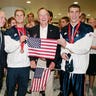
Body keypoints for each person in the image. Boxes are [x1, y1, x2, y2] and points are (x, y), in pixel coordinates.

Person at [57, 4, 93, 96]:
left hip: (79, 68)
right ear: (68, 14)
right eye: (72, 12)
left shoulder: (88, 29)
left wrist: (67, 45)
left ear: (80, 13)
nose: (74, 14)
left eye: (76, 12)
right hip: (65, 67)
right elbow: (62, 46)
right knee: (64, 93)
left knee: (78, 94)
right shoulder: (63, 29)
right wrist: (62, 53)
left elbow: (84, 49)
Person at [29, 7, 60, 96]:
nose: (43, 17)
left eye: (45, 15)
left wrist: (54, 62)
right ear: (38, 18)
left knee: (48, 87)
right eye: (41, 15)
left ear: (49, 17)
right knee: (36, 86)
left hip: (50, 63)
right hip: (38, 63)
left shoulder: (55, 30)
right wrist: (32, 60)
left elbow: (57, 48)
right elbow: (32, 47)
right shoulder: (33, 30)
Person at [4, 9, 30, 96]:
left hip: (25, 66)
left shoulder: (29, 31)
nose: (19, 17)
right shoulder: (8, 32)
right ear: (15, 17)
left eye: (21, 15)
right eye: (17, 15)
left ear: (24, 17)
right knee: (10, 90)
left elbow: (32, 48)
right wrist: (19, 41)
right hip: (13, 67)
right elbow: (7, 49)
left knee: (22, 90)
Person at [86, 18, 96, 96]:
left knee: (92, 73)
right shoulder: (84, 31)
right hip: (84, 54)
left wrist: (89, 46)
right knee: (83, 72)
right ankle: (82, 89)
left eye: (93, 22)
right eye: (89, 22)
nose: (91, 24)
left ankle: (90, 89)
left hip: (93, 55)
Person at [0, 10, 6, 91]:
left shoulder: (2, 33)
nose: (4, 20)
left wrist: (4, 66)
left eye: (4, 18)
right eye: (1, 17)